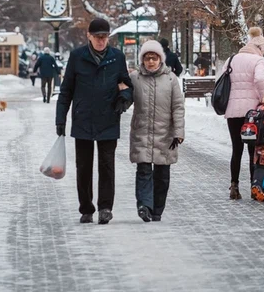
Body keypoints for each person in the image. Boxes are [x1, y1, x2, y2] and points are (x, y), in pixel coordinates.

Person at [56, 18, 133, 224]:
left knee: (107, 166)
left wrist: (124, 99)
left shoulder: (116, 57)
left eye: (104, 37)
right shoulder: (77, 57)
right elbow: (66, 91)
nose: (101, 41)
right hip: (83, 119)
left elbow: (126, 83)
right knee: (84, 167)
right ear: (88, 36)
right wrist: (60, 118)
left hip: (108, 118)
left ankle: (105, 207)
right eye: (97, 37)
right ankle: (86, 208)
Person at [129, 40, 185, 222]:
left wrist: (179, 131)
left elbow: (178, 107)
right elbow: (124, 97)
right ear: (142, 60)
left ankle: (157, 210)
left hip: (165, 135)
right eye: (147, 58)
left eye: (154, 58)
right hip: (142, 132)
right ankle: (144, 206)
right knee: (143, 171)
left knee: (162, 175)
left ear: (160, 59)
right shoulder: (135, 79)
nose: (151, 62)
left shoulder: (170, 80)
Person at [221, 26, 264, 200]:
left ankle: (234, 185)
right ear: (260, 48)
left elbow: (222, 79)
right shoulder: (258, 61)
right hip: (251, 113)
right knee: (252, 150)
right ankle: (253, 186)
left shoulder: (231, 59)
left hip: (232, 111)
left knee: (237, 149)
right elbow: (260, 80)